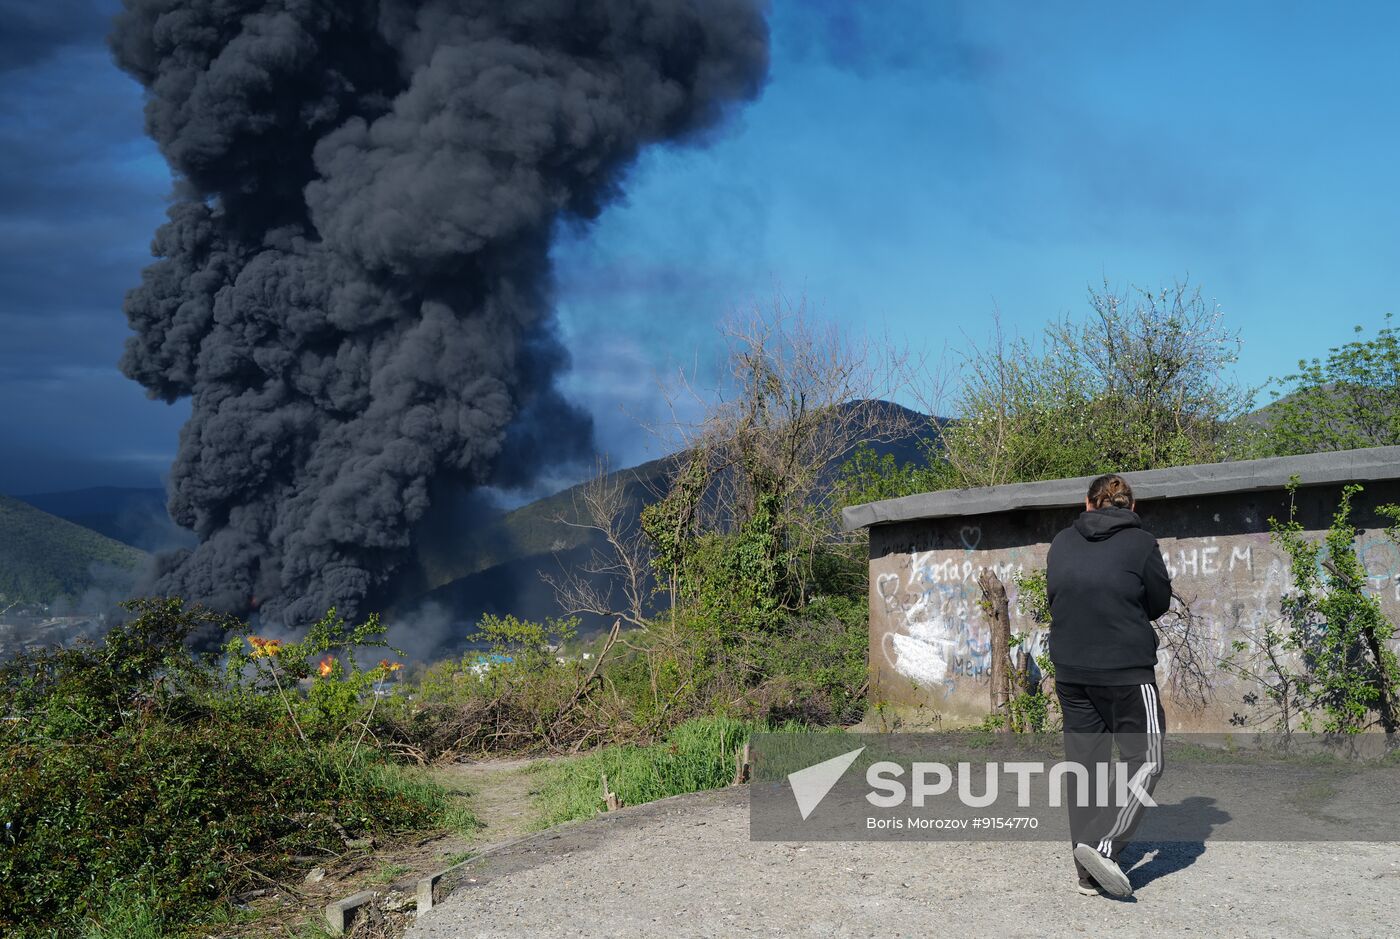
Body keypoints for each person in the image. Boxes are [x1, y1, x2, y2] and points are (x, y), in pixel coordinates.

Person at [1046, 473, 1172, 898]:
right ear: (1130, 507)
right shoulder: (1142, 543)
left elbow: (1057, 595)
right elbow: (1158, 602)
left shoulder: (1062, 541)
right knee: (1147, 757)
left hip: (1070, 672)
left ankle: (1086, 874)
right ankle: (1104, 848)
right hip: (1126, 671)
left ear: (1088, 503)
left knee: (1085, 768)